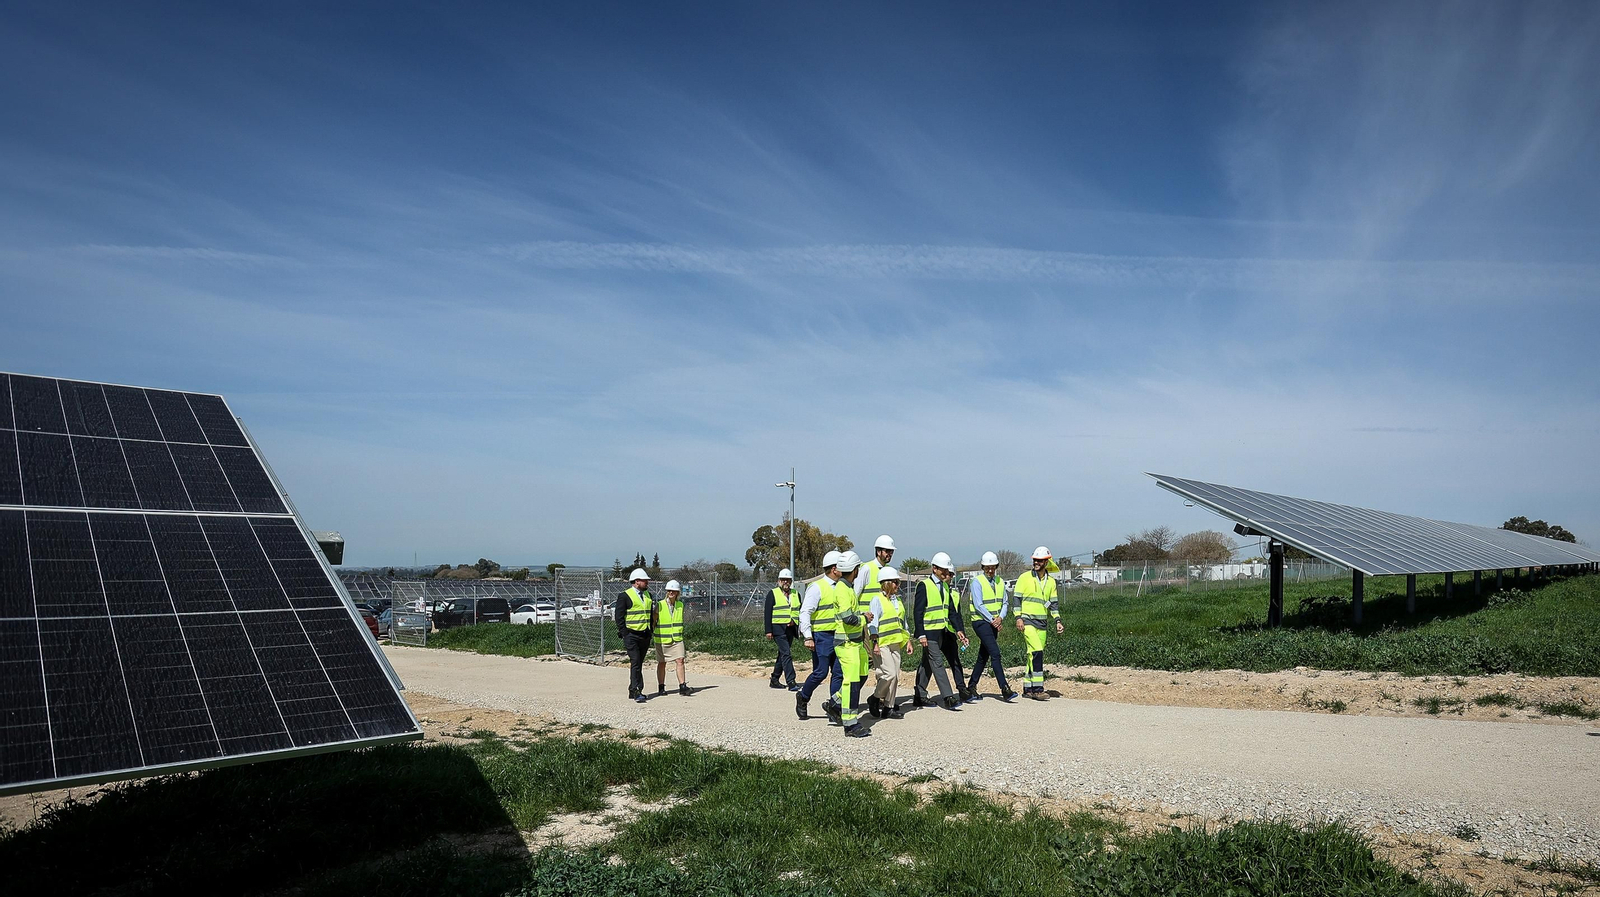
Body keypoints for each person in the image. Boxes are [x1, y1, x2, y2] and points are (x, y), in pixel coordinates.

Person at [912, 552, 969, 710]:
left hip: (941, 632)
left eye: (947, 570)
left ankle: (920, 695)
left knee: (927, 664)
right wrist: (921, 634)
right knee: (937, 663)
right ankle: (948, 697)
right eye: (943, 570)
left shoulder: (945, 586)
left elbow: (951, 611)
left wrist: (958, 630)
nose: (946, 573)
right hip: (929, 633)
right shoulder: (924, 585)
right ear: (934, 568)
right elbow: (918, 612)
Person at [796, 550, 845, 721]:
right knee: (821, 672)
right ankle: (803, 697)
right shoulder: (817, 587)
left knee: (838, 673)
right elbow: (805, 612)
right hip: (822, 636)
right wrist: (808, 636)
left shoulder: (843, 586)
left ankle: (834, 707)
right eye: (841, 566)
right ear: (833, 569)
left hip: (839, 635)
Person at [966, 552, 1018, 702]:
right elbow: (978, 605)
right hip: (981, 621)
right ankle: (1004, 688)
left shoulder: (1000, 582)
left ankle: (971, 686)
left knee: (984, 655)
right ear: (983, 567)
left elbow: (1005, 603)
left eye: (993, 568)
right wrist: (993, 620)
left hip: (994, 622)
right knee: (995, 653)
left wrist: (1000, 618)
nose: (990, 570)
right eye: (987, 568)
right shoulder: (977, 582)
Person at [1014, 546, 1064, 699]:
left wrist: (1057, 621)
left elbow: (1052, 604)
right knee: (1037, 652)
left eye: (1039, 561)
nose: (1036, 562)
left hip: (1042, 624)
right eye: (1035, 560)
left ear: (1046, 562)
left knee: (1032, 654)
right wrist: (1018, 617)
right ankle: (1038, 689)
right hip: (1027, 621)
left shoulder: (1051, 583)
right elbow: (1017, 599)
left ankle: (1027, 689)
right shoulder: (1024, 578)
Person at [832, 550, 872, 737]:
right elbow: (849, 619)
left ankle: (835, 702)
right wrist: (865, 618)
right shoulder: (842, 590)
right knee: (852, 683)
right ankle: (850, 724)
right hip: (847, 644)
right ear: (854, 569)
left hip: (856, 643)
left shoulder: (847, 588)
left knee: (862, 675)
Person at [867, 566, 911, 719]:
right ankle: (874, 698)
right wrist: (875, 644)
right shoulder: (877, 600)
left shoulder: (897, 601)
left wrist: (909, 640)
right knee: (889, 674)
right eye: (895, 582)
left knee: (896, 676)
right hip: (882, 643)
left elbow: (902, 622)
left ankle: (888, 707)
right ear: (886, 583)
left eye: (898, 582)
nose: (898, 585)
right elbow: (873, 624)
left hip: (896, 642)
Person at [614, 568, 654, 703]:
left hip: (645, 634)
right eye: (645, 580)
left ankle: (633, 689)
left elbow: (649, 614)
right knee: (635, 661)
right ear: (637, 581)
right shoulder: (625, 596)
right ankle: (637, 690)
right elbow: (619, 616)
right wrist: (624, 632)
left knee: (639, 662)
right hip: (631, 635)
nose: (647, 583)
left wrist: (650, 631)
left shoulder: (648, 595)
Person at [765, 568, 801, 690]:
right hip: (777, 628)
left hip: (791, 629)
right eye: (783, 580)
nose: (785, 582)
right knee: (786, 653)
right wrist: (768, 630)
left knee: (782, 654)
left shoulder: (796, 594)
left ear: (791, 581)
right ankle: (791, 681)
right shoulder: (773, 593)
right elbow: (767, 613)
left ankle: (774, 679)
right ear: (779, 581)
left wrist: (795, 622)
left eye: (788, 580)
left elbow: (798, 611)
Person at [654, 580, 690, 696]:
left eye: (673, 591)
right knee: (662, 663)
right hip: (662, 639)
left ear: (677, 592)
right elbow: (654, 620)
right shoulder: (660, 605)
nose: (671, 592)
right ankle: (661, 687)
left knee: (680, 660)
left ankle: (682, 686)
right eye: (669, 590)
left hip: (677, 638)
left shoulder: (680, 605)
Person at [854, 534, 896, 603]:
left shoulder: (889, 570)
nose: (890, 554)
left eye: (891, 551)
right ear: (878, 551)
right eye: (887, 551)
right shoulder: (866, 568)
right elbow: (855, 594)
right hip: (865, 612)